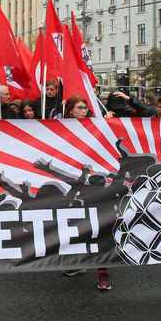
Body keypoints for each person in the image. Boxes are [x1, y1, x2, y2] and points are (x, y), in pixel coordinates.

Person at [61, 94, 112, 290]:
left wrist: (110, 122)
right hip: (74, 185)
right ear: (71, 110)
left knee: (98, 226)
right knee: (75, 224)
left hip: (95, 184)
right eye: (80, 108)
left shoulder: (95, 125)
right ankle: (78, 263)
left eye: (85, 108)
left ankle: (102, 272)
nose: (84, 111)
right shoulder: (59, 127)